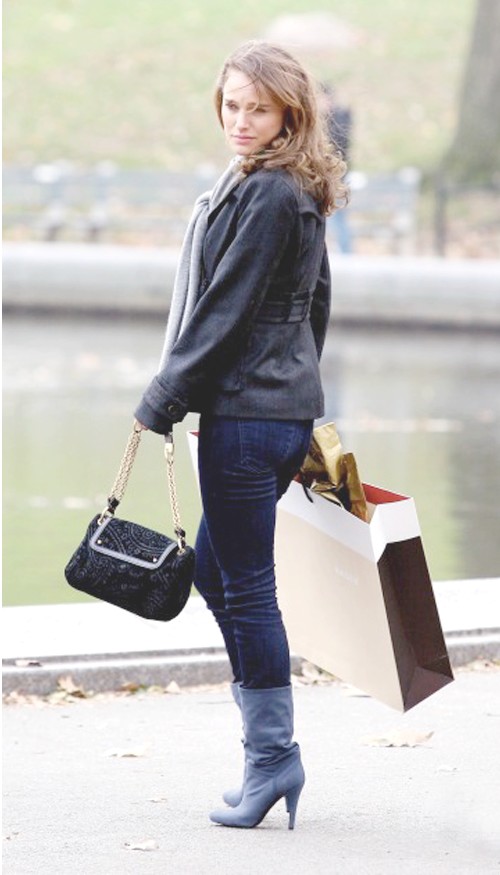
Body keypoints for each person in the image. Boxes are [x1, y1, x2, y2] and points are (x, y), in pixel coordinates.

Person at [134, 40, 347, 830]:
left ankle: (272, 755)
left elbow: (224, 308)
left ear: (289, 114)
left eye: (258, 108)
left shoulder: (266, 195)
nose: (240, 119)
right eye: (231, 104)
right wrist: (298, 389)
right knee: (218, 575)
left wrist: (163, 396)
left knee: (247, 587)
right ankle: (272, 749)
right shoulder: (294, 187)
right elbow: (316, 305)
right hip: (277, 411)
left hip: (248, 416)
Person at [319, 83, 353, 254]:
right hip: (329, 173)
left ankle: (346, 251)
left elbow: (339, 145)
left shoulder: (339, 118)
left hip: (336, 174)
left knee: (337, 215)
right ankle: (344, 250)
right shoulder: (327, 118)